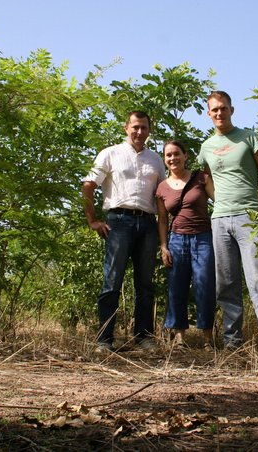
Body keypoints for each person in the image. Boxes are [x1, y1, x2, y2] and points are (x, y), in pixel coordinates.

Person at [197, 91, 258, 357]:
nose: (219, 113)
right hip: (220, 219)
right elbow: (205, 177)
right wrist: (216, 199)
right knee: (226, 283)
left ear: (232, 110)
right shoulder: (207, 146)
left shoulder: (249, 138)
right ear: (208, 114)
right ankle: (233, 341)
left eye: (223, 108)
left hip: (250, 217)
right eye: (214, 110)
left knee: (257, 277)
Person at [81, 110, 166, 353]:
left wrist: (165, 235)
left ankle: (144, 337)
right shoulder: (110, 153)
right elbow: (88, 186)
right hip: (118, 222)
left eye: (145, 128)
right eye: (135, 127)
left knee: (145, 284)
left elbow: (161, 197)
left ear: (150, 130)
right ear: (125, 127)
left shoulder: (156, 159)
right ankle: (104, 339)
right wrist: (93, 221)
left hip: (148, 224)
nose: (140, 132)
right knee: (112, 281)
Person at [156, 140, 215, 350]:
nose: (173, 158)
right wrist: (164, 247)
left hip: (204, 238)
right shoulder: (162, 187)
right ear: (165, 159)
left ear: (185, 155)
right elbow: (162, 219)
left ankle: (208, 338)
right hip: (176, 240)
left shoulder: (201, 178)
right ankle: (179, 338)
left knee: (205, 286)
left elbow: (219, 201)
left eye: (176, 154)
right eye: (168, 155)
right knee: (176, 288)